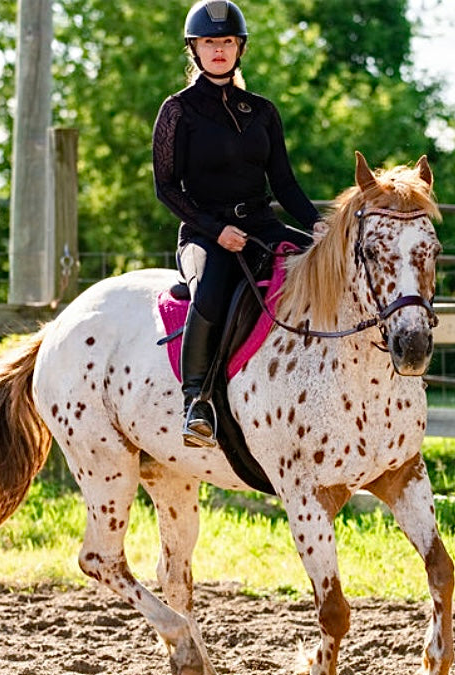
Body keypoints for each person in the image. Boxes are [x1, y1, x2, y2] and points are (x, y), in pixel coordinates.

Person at [152, 0, 327, 448]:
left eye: (226, 41)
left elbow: (284, 184)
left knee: (330, 267)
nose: (218, 50)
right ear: (194, 48)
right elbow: (167, 188)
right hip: (204, 235)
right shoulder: (178, 112)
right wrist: (215, 231)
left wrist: (319, 227)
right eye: (209, 42)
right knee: (209, 293)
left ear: (239, 48)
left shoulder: (262, 111)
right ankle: (198, 404)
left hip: (262, 226)